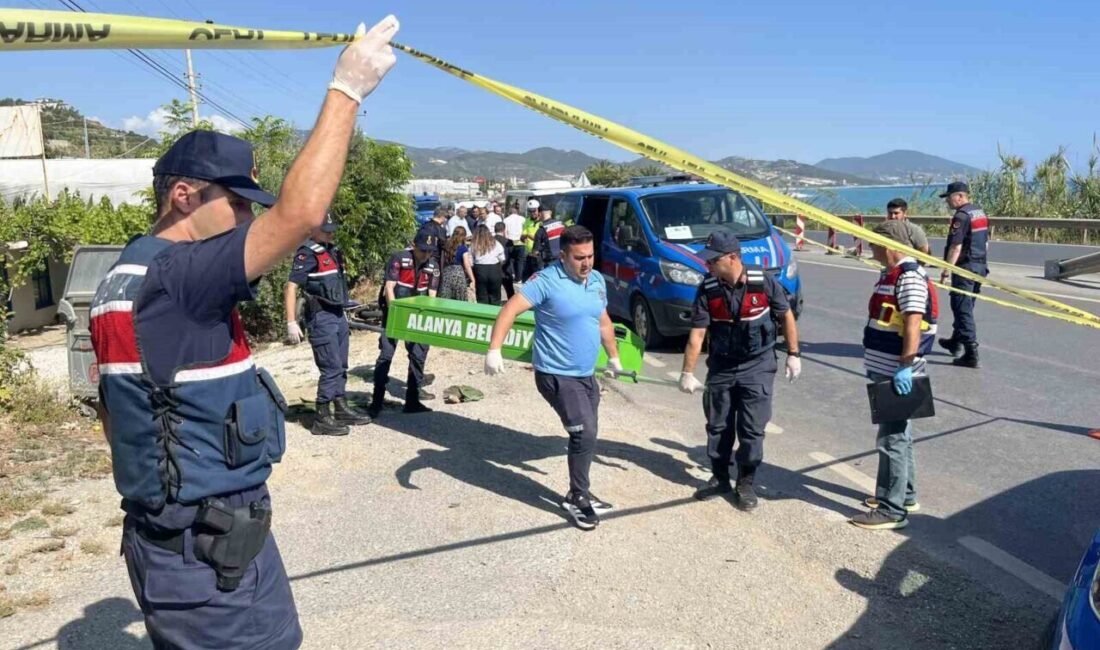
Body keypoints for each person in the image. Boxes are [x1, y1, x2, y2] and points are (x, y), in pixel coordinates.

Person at [87, 15, 398, 649]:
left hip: (189, 545)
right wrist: (349, 88)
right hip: (208, 563)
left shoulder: (128, 271)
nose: (244, 218)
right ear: (182, 195)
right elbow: (301, 214)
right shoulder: (178, 279)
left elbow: (120, 417)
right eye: (235, 203)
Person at [484, 225, 625, 530]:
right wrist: (494, 349)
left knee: (589, 434)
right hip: (557, 374)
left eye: (590, 256)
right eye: (578, 257)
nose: (586, 263)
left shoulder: (596, 280)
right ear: (563, 256)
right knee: (583, 432)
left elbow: (602, 321)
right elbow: (509, 310)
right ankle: (577, 498)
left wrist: (613, 357)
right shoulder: (546, 281)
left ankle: (580, 491)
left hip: (586, 374)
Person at [678, 230, 801, 511]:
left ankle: (745, 483)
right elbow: (697, 334)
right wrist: (687, 372)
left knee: (751, 429)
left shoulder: (764, 283)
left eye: (713, 260)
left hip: (757, 365)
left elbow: (786, 315)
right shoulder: (708, 288)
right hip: (722, 366)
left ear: (732, 258)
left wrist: (793, 354)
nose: (707, 265)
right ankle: (720, 478)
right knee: (718, 426)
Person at [850, 220, 938, 530]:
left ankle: (892, 509)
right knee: (900, 436)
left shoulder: (909, 277)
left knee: (893, 439)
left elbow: (913, 323)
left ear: (889, 246)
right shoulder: (892, 275)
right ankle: (904, 495)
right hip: (886, 367)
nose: (871, 251)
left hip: (895, 371)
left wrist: (905, 365)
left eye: (874, 246)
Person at [285, 213, 372, 436]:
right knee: (330, 367)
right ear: (313, 230)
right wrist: (291, 322)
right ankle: (322, 416)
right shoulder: (307, 254)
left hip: (337, 313)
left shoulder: (332, 252)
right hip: (320, 316)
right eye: (326, 230)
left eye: (332, 229)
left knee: (341, 365)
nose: (331, 233)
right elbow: (291, 287)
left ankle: (340, 406)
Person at [370, 229, 440, 417]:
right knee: (386, 355)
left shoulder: (433, 265)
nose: (426, 254)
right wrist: (394, 313)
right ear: (414, 245)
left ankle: (412, 400)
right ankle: (376, 401)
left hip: (419, 317)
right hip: (395, 313)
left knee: (419, 355)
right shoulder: (399, 258)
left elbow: (432, 295)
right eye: (423, 250)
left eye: (430, 251)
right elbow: (389, 287)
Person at [936, 181, 989, 368]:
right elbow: (985, 241)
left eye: (949, 198)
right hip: (980, 267)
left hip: (964, 268)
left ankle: (970, 353)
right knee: (966, 306)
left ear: (959, 196)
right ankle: (955, 341)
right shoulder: (979, 212)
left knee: (961, 308)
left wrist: (946, 270)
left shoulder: (961, 216)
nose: (947, 202)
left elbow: (956, 246)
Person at [471, 224, 507, 305]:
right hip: (494, 269)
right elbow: (502, 259)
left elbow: (471, 260)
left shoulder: (474, 244)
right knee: (495, 296)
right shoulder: (496, 243)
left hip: (480, 270)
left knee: (482, 296)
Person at [439, 226, 474, 301]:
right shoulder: (463, 248)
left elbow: (442, 260)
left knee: (446, 298)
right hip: (458, 274)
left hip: (446, 273)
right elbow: (467, 265)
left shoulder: (446, 246)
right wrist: (472, 279)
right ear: (463, 236)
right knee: (460, 299)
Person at [503, 202, 527, 284]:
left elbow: (505, 232)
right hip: (520, 242)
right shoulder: (523, 219)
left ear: (510, 211)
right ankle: (519, 278)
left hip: (510, 242)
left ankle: (512, 274)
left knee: (510, 260)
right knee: (520, 261)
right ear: (517, 211)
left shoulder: (505, 220)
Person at [494, 221, 516, 299]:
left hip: (494, 268)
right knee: (510, 291)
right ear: (504, 230)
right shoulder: (508, 242)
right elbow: (512, 256)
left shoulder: (491, 240)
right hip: (506, 269)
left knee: (495, 291)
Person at [521, 199, 542, 280]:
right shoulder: (527, 221)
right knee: (526, 279)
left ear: (538, 210)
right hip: (528, 254)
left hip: (538, 255)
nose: (532, 213)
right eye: (530, 211)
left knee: (538, 279)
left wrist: (529, 235)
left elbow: (540, 239)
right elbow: (523, 235)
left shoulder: (542, 222)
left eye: (534, 211)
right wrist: (522, 237)